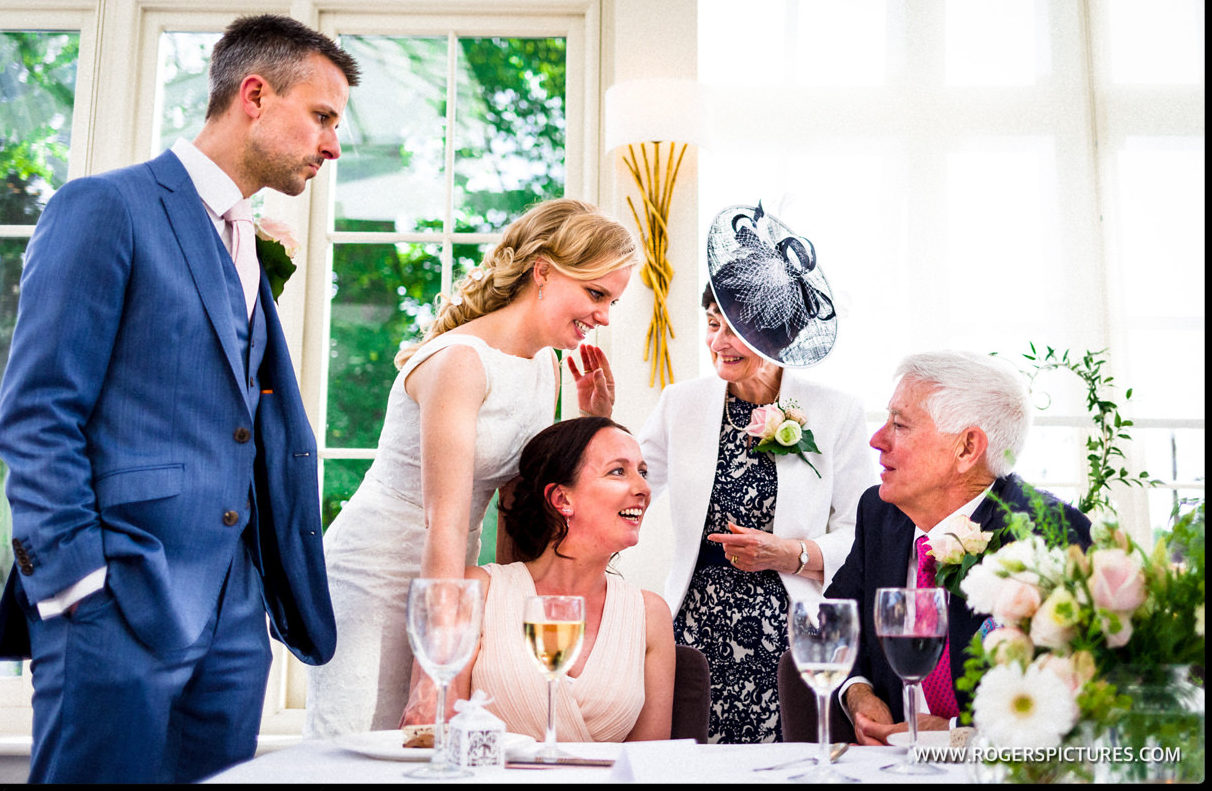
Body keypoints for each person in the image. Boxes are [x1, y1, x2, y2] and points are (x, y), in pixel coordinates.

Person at [0, 15, 360, 783]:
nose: (332, 146)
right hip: (115, 600)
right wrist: (78, 584)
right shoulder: (105, 207)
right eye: (321, 117)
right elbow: (38, 410)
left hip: (233, 619)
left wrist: (248, 596)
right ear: (254, 94)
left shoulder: (248, 240)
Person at [304, 199, 642, 737]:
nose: (603, 315)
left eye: (612, 301)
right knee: (363, 745)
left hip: (451, 574)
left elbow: (516, 504)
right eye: (595, 293)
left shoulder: (545, 368)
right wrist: (429, 676)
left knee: (434, 748)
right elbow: (444, 520)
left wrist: (507, 614)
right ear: (544, 271)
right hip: (377, 573)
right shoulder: (460, 360)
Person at [638, 203, 875, 744]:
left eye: (737, 331)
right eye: (713, 324)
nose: (719, 343)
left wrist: (791, 553)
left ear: (779, 338)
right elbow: (628, 484)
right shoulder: (682, 403)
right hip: (692, 631)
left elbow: (861, 534)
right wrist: (595, 423)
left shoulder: (835, 410)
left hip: (791, 638)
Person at [824, 350, 1094, 745]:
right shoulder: (880, 513)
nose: (877, 439)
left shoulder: (1052, 537)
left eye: (899, 424)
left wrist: (957, 734)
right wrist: (858, 693)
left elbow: (1072, 693)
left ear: (967, 448)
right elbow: (833, 621)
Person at [448, 416, 675, 741]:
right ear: (561, 499)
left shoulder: (650, 614)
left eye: (643, 472)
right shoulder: (478, 592)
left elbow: (650, 764)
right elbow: (436, 737)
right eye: (618, 471)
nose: (643, 488)